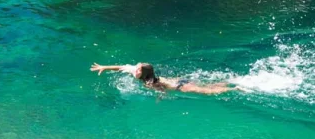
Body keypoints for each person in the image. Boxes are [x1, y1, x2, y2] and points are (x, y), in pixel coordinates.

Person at [90, 62, 238, 95]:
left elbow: (162, 90)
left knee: (205, 91)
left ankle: (234, 87)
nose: (135, 69)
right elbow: (120, 67)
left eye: (138, 69)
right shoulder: (136, 72)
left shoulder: (150, 83)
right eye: (136, 67)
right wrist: (104, 67)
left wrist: (159, 98)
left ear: (144, 74)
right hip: (177, 81)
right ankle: (229, 82)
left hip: (180, 86)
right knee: (206, 85)